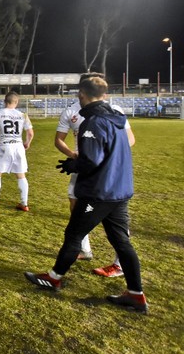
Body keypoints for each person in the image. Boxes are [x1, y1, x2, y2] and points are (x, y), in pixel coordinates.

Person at [25, 76, 148, 314]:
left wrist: (74, 165)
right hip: (120, 191)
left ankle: (54, 278)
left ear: (82, 95)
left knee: (74, 233)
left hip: (99, 192)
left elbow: (91, 160)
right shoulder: (118, 118)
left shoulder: (92, 122)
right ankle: (136, 295)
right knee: (122, 242)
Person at [55, 72, 136, 273]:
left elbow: (129, 140)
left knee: (102, 224)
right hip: (85, 168)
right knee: (76, 208)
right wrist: (73, 156)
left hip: (101, 174)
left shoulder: (114, 112)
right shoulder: (71, 111)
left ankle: (117, 264)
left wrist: (110, 159)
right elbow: (59, 139)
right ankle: (84, 249)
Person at [0, 91, 34, 211]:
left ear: (5, 101)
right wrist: (27, 143)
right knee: (21, 175)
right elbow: (30, 133)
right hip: (19, 147)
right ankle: (24, 203)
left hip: (4, 145)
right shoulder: (23, 115)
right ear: (16, 102)